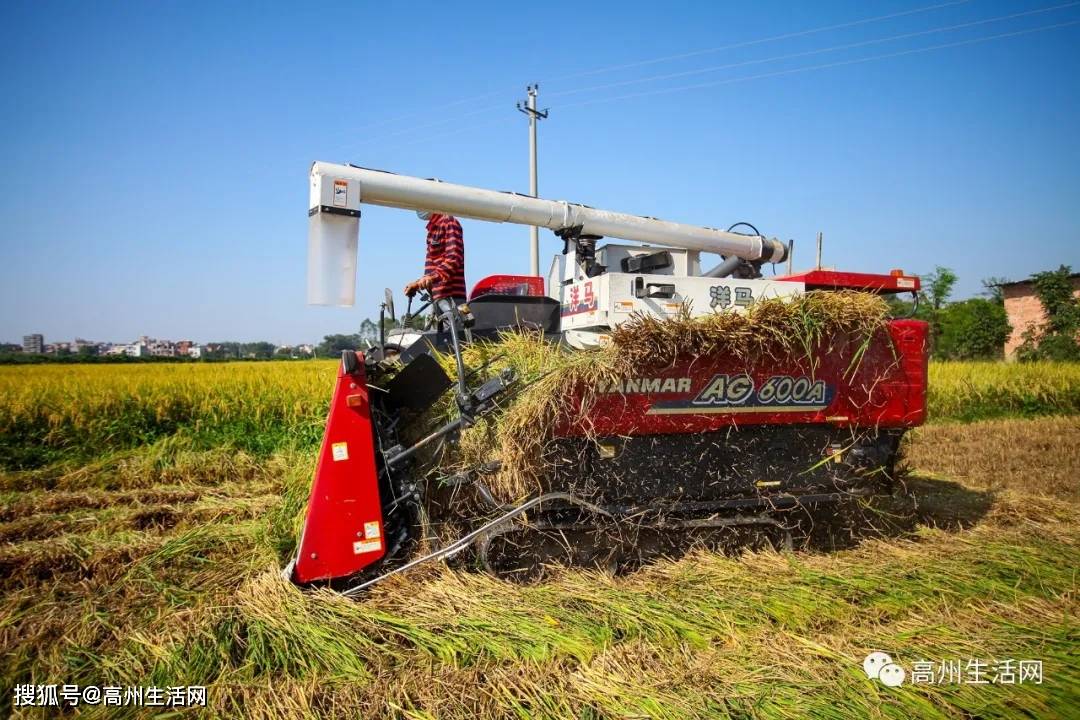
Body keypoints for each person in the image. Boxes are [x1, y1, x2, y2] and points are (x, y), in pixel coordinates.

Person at [404, 210, 466, 323]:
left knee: (453, 338)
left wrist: (430, 278)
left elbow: (454, 258)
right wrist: (418, 284)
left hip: (451, 299)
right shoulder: (433, 229)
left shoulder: (448, 222)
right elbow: (433, 267)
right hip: (438, 299)